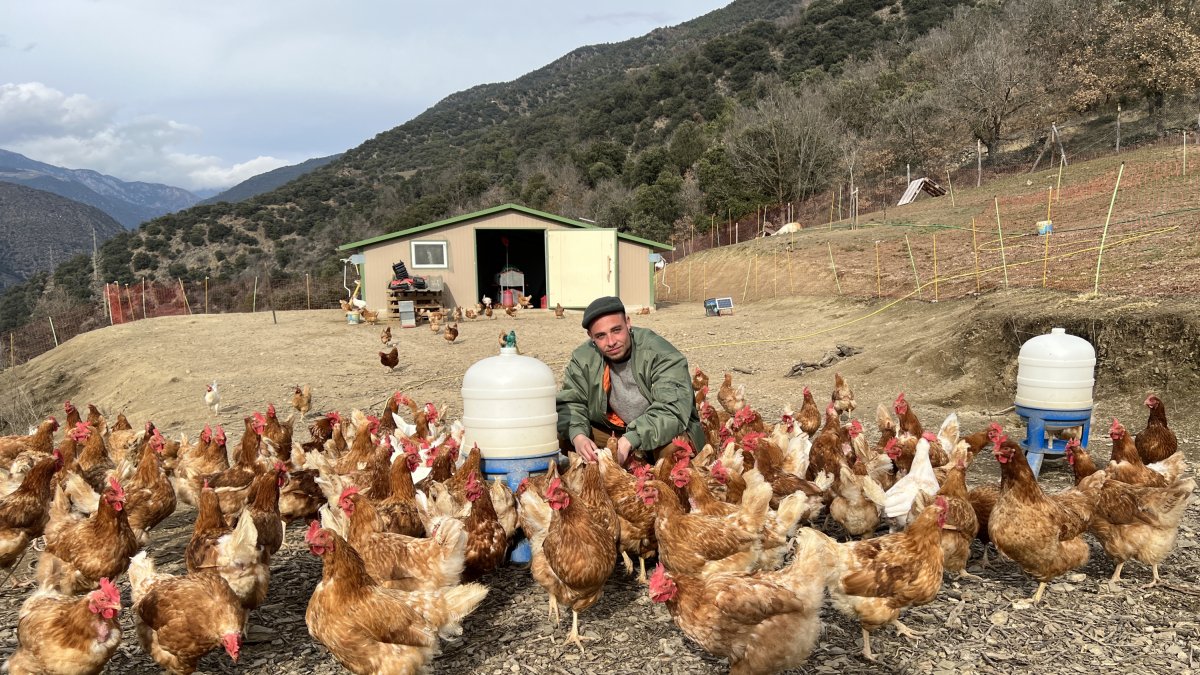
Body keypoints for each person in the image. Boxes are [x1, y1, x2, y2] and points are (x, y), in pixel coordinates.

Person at [556, 296, 704, 466]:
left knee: (674, 454)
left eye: (616, 330)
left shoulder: (660, 353)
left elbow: (672, 411)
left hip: (661, 430)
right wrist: (579, 437)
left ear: (628, 323)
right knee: (564, 436)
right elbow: (571, 402)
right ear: (591, 337)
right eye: (601, 336)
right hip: (617, 430)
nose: (611, 342)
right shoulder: (583, 358)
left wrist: (630, 440)